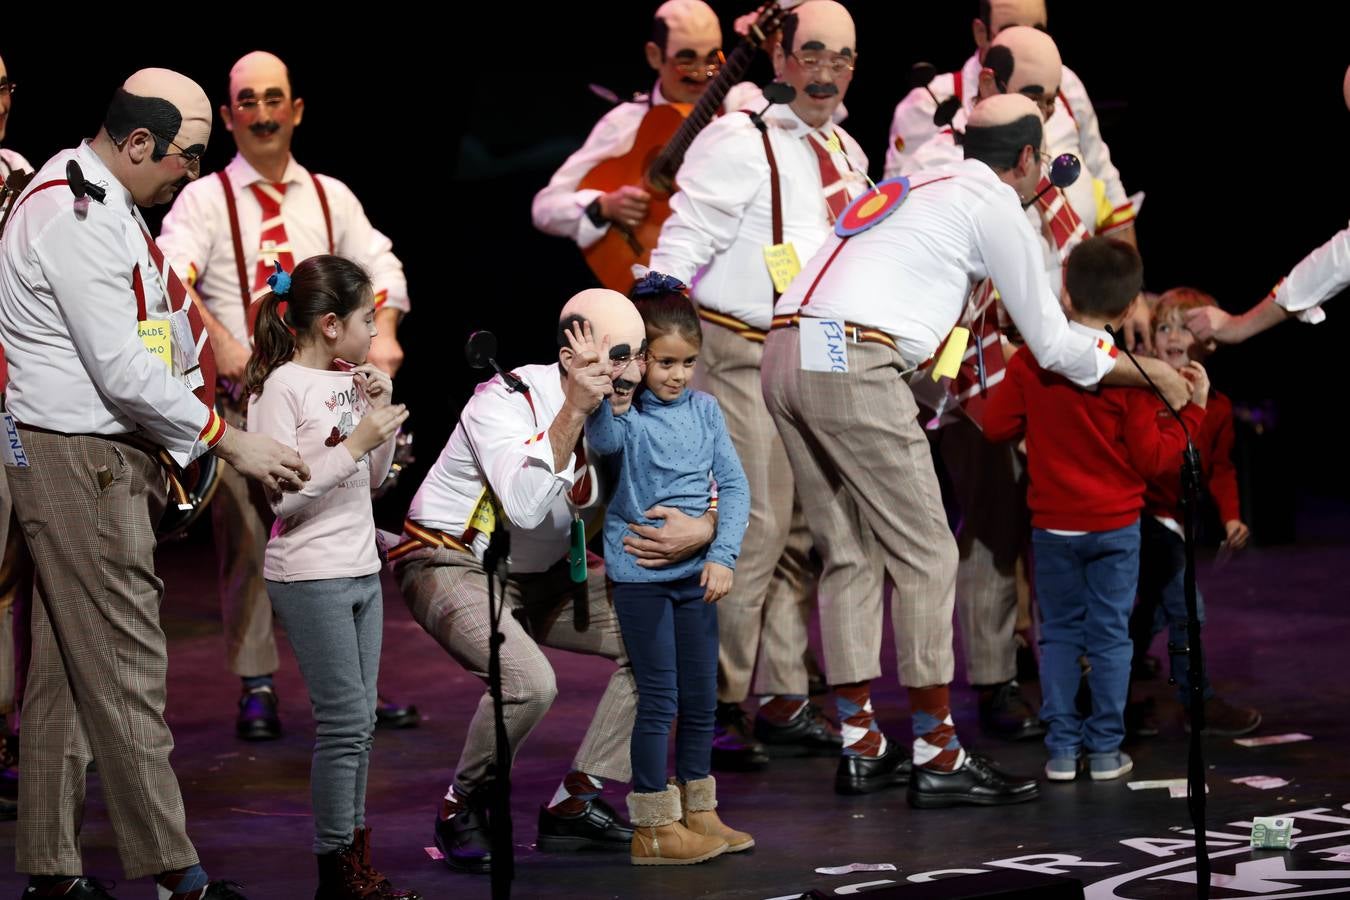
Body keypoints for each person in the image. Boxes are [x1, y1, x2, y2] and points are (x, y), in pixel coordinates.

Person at [760, 94, 1190, 804]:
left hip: (788, 349)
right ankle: (937, 751)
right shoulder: (991, 202)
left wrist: (942, 403)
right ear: (1026, 160)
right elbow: (1052, 344)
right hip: (850, 360)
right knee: (928, 551)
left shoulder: (915, 185)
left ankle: (862, 743)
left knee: (850, 552)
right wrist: (1155, 375)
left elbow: (917, 322)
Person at [0, 67, 309, 900]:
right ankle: (179, 877)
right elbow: (122, 369)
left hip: (91, 457)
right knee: (130, 666)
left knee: (68, 665)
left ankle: (53, 871)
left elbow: (159, 331)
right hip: (78, 458)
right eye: (186, 154)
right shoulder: (71, 214)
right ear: (138, 142)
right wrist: (226, 441)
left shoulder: (106, 204)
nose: (194, 173)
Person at [391, 287, 718, 873]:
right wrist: (574, 410)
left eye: (639, 355)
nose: (632, 373)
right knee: (530, 683)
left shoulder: (636, 406)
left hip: (548, 574)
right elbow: (521, 504)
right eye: (617, 356)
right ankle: (460, 803)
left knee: (661, 645)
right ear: (571, 357)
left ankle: (575, 803)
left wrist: (706, 523)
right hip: (451, 561)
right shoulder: (505, 401)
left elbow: (702, 469)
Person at [158, 50, 414, 741]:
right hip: (251, 400)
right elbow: (169, 277)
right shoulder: (205, 199)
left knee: (347, 521)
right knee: (248, 538)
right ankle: (256, 678)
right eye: (248, 101)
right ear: (228, 115)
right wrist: (224, 346)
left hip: (331, 397)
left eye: (274, 99)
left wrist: (383, 328)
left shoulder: (329, 196)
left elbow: (380, 263)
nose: (263, 113)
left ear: (295, 109)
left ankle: (356, 678)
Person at [649, 0, 869, 771]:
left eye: (842, 59)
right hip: (741, 351)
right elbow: (687, 230)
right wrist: (649, 325)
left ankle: (780, 695)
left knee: (804, 531)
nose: (827, 73)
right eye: (813, 54)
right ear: (780, 57)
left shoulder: (846, 151)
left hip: (815, 357)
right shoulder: (740, 138)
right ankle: (711, 704)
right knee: (753, 525)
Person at [985, 237, 1208, 780]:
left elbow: (994, 426)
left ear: (1064, 289)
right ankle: (1105, 750)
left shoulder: (1035, 363)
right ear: (1133, 307)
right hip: (1114, 526)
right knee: (1109, 636)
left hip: (1053, 527)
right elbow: (1156, 459)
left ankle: (1063, 751)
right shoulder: (1130, 373)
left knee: (1058, 635)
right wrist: (1195, 412)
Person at [244, 255, 418, 899]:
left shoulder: (350, 381)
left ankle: (353, 865)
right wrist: (355, 442)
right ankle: (336, 872)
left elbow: (370, 485)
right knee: (344, 723)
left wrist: (379, 417)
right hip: (309, 572)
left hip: (360, 568)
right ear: (329, 323)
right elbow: (283, 501)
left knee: (360, 727)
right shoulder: (279, 390)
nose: (375, 333)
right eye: (367, 320)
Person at [579, 273, 752, 865]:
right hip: (642, 580)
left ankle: (699, 809)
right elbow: (601, 442)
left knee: (703, 697)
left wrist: (722, 554)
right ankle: (652, 824)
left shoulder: (704, 410)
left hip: (695, 576)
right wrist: (617, 389)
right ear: (640, 358)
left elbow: (732, 483)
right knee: (660, 698)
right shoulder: (625, 415)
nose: (677, 375)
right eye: (665, 362)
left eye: (688, 362)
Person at [1127, 287, 1262, 737]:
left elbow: (1219, 468)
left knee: (1147, 614)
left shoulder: (1217, 407)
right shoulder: (1143, 393)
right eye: (1163, 326)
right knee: (1185, 609)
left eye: (1185, 326)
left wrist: (1231, 516)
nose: (1172, 335)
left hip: (1175, 523)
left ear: (1209, 340)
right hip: (1141, 519)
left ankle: (1107, 701)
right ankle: (1196, 703)